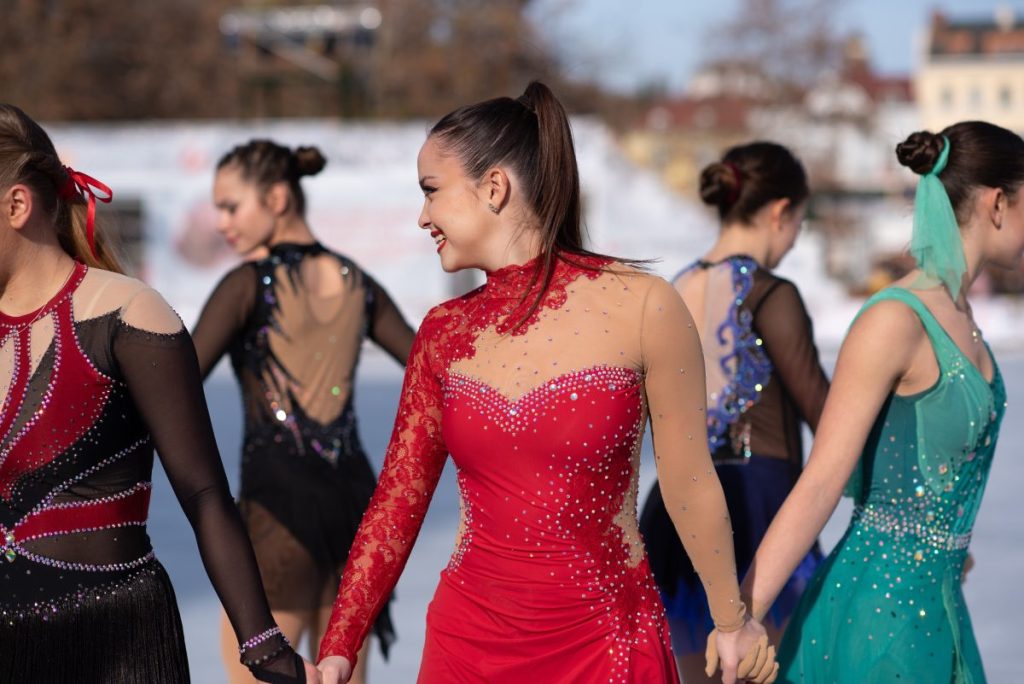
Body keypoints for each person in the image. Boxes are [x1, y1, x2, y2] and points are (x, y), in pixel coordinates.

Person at [315, 81, 779, 684]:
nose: (422, 216)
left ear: (494, 187)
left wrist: (730, 620)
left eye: (431, 191)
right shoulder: (443, 332)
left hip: (606, 644)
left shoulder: (643, 306)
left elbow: (689, 480)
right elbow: (399, 499)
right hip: (467, 648)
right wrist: (340, 644)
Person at [0, 106, 319, 682]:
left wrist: (264, 646)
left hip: (113, 640)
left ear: (17, 205)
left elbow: (203, 493)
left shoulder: (126, 312)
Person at [739, 121, 1021, 682]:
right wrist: (742, 615)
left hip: (937, 608)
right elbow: (822, 481)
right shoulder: (895, 319)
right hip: (878, 621)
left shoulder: (960, 315)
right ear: (996, 203)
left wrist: (944, 543)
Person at [192, 140, 415, 683]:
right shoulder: (358, 281)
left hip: (278, 519)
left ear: (275, 198)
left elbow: (176, 379)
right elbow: (427, 363)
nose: (221, 223)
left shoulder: (245, 285)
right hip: (354, 514)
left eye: (231, 207)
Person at [639, 142, 829, 682]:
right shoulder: (772, 294)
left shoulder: (671, 291)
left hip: (677, 514)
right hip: (761, 512)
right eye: (799, 223)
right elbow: (828, 415)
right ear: (780, 211)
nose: (795, 238)